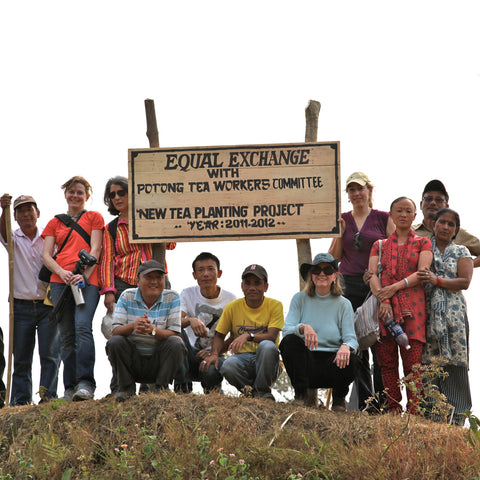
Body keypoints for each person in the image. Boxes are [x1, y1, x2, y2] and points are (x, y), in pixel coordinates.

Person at [99, 176, 176, 395]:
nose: (117, 198)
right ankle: (120, 386)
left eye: (121, 192)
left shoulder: (149, 218)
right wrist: (109, 292)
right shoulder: (111, 229)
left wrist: (158, 218)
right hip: (125, 285)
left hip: (157, 282)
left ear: (131, 194)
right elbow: (106, 261)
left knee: (159, 330)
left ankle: (153, 384)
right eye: (112, 195)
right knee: (122, 336)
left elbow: (171, 243)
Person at [328, 172, 394, 411]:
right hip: (347, 285)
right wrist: (338, 231)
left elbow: (394, 250)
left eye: (360, 189)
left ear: (369, 191)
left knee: (378, 341)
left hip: (375, 286)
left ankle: (384, 401)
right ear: (348, 195)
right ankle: (367, 402)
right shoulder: (343, 219)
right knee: (353, 342)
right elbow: (333, 257)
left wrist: (380, 277)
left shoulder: (383, 218)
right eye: (351, 190)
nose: (356, 194)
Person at [368, 197, 432, 414]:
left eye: (408, 211)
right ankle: (393, 410)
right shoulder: (379, 245)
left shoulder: (423, 242)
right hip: (384, 309)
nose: (404, 215)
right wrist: (384, 298)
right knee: (387, 363)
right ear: (391, 215)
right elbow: (371, 276)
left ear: (415, 216)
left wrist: (394, 288)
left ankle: (414, 412)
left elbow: (422, 273)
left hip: (413, 310)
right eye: (399, 211)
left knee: (413, 365)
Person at [42, 176, 104, 401]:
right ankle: (69, 387)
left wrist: (84, 275)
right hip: (60, 282)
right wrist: (61, 272)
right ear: (65, 194)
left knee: (82, 328)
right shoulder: (54, 222)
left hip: (87, 281)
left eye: (80, 192)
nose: (75, 196)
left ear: (87, 196)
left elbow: (96, 248)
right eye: (71, 192)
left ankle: (86, 383)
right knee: (66, 335)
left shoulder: (94, 217)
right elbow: (46, 255)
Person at [0, 194, 60, 405]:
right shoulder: (12, 237)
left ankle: (48, 398)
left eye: (29, 210)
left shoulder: (49, 238)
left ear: (38, 213)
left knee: (50, 355)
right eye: (21, 211)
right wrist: (4, 210)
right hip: (21, 306)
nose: (26, 215)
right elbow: (3, 233)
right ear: (15, 217)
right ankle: (20, 402)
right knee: (22, 358)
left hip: (47, 304)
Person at [280, 253, 359, 412]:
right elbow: (286, 330)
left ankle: (338, 400)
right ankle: (300, 396)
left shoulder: (344, 304)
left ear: (334, 276)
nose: (322, 274)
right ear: (311, 275)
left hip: (333, 362)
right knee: (289, 342)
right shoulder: (299, 299)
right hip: (306, 362)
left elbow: (352, 340)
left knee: (353, 356)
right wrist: (303, 327)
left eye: (327, 270)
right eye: (317, 270)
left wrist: (345, 346)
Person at [418, 208, 473, 425]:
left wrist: (436, 280)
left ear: (456, 230)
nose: (446, 227)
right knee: (428, 361)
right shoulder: (422, 248)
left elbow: (464, 282)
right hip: (427, 312)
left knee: (456, 362)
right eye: (442, 222)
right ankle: (430, 415)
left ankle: (456, 417)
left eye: (451, 224)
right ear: (434, 224)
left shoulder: (462, 251)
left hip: (454, 315)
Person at [106, 260, 186, 402]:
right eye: (149, 277)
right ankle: (126, 389)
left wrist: (152, 330)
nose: (154, 282)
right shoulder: (126, 296)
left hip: (158, 362)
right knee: (115, 342)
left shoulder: (172, 297)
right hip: (134, 361)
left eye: (159, 278)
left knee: (176, 343)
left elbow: (174, 333)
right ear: (138, 281)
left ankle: (161, 389)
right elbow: (115, 331)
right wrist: (133, 326)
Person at [201, 264, 284, 400]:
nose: (252, 287)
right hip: (242, 358)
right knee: (228, 365)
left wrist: (248, 336)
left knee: (267, 346)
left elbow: (271, 337)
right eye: (248, 283)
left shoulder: (275, 305)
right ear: (242, 286)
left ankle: (263, 392)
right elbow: (219, 335)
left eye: (257, 283)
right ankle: (252, 394)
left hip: (267, 361)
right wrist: (214, 353)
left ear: (266, 287)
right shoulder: (232, 307)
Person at [174, 252, 236, 393]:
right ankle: (182, 390)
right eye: (201, 270)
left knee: (213, 370)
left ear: (219, 273)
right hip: (188, 353)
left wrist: (213, 353)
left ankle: (213, 393)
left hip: (215, 355)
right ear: (194, 275)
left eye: (210, 269)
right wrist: (190, 320)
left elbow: (234, 337)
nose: (206, 274)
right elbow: (175, 322)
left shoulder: (231, 299)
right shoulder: (187, 293)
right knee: (175, 335)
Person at [414, 179, 480, 267]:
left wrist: (464, 268)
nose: (433, 203)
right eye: (428, 199)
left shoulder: (457, 232)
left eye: (438, 200)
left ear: (447, 206)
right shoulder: (409, 232)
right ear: (421, 204)